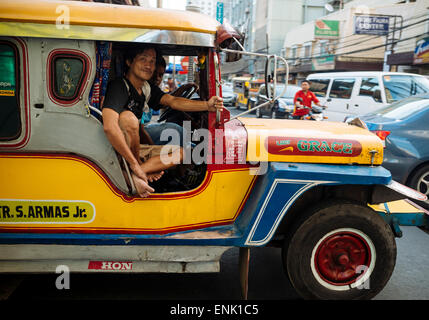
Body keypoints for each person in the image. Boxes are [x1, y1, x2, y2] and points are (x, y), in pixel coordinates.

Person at [102, 45, 223, 198]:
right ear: (129, 62)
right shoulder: (120, 86)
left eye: (152, 61)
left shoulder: (145, 89)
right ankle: (134, 174)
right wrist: (135, 164)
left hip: (134, 151)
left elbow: (172, 101)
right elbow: (109, 127)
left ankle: (134, 175)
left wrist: (207, 105)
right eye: (143, 59)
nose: (148, 65)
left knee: (180, 153)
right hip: (115, 152)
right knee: (128, 118)